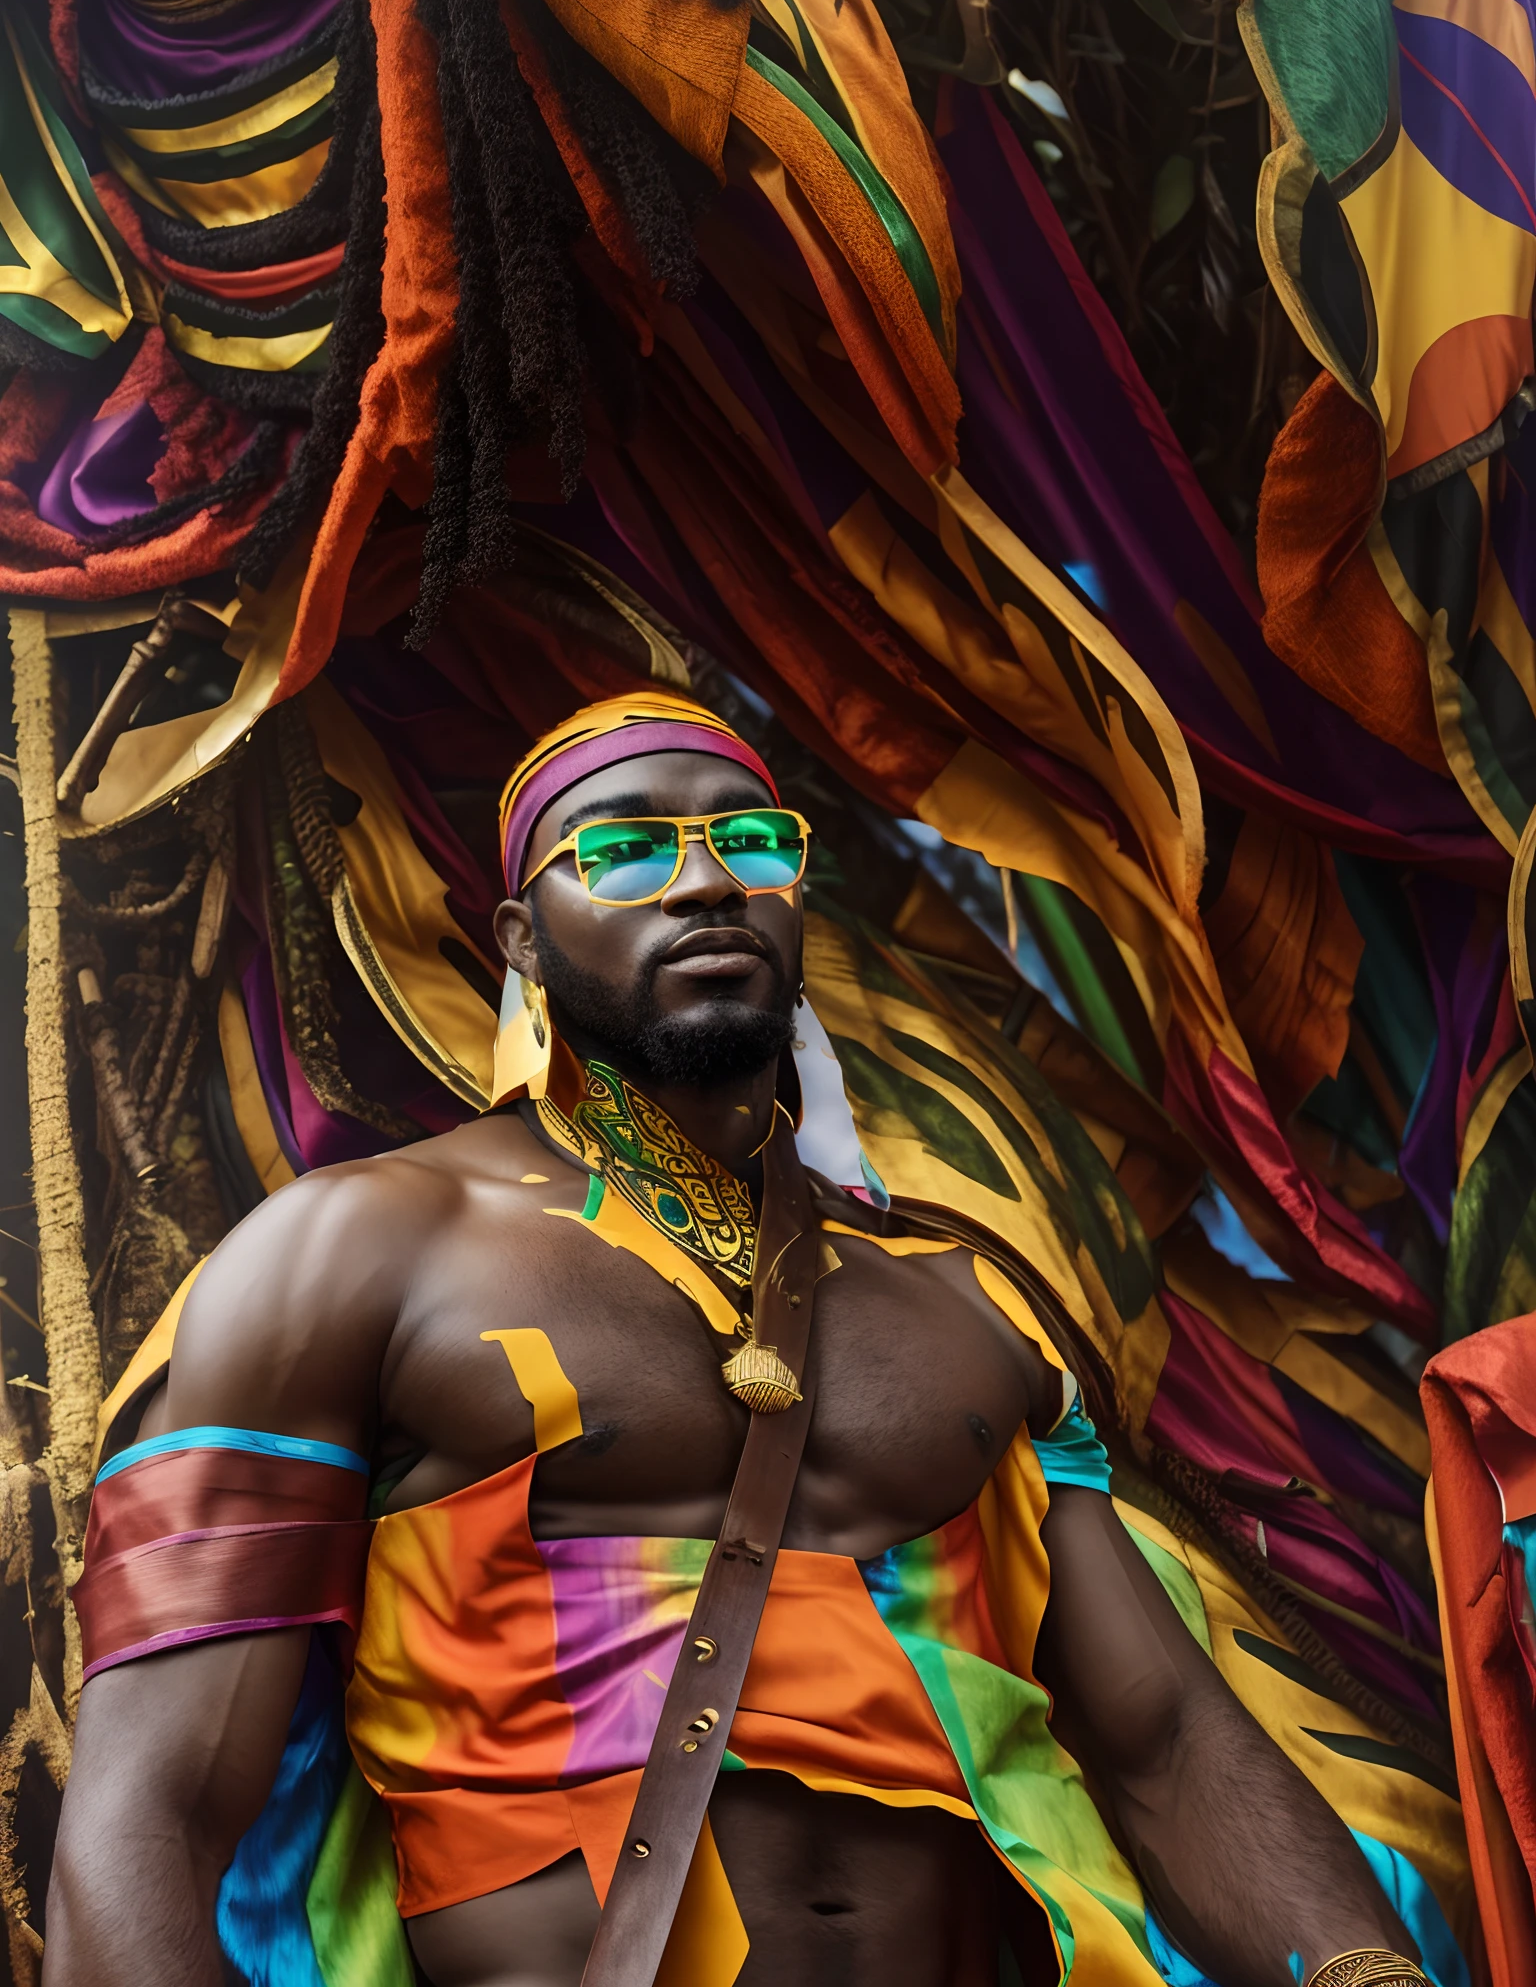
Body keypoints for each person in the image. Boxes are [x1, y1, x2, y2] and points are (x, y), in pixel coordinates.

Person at [47, 693, 1435, 1987]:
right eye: (630, 850)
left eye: (753, 841)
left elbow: (1169, 1742)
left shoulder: (958, 1300)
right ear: (522, 939)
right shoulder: (350, 1253)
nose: (710, 881)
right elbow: (154, 1806)